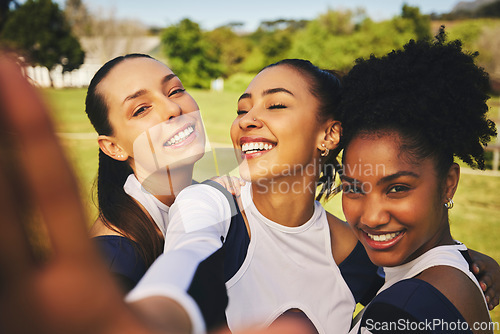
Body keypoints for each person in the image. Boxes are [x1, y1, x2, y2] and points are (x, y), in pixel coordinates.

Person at [0, 53, 498, 334]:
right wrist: (154, 318)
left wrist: (464, 261)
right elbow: (185, 261)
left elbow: (413, 276)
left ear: (329, 135)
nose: (248, 119)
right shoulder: (203, 207)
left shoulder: (360, 253)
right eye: (242, 107)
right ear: (110, 145)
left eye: (175, 91)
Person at [339, 29, 496, 333]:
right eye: (354, 188)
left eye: (397, 189)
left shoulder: (407, 309)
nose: (371, 217)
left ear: (448, 183)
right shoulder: (436, 275)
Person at [84, 53, 241, 292]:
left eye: (175, 91)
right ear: (113, 147)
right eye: (141, 109)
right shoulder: (113, 263)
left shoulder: (212, 201)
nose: (173, 108)